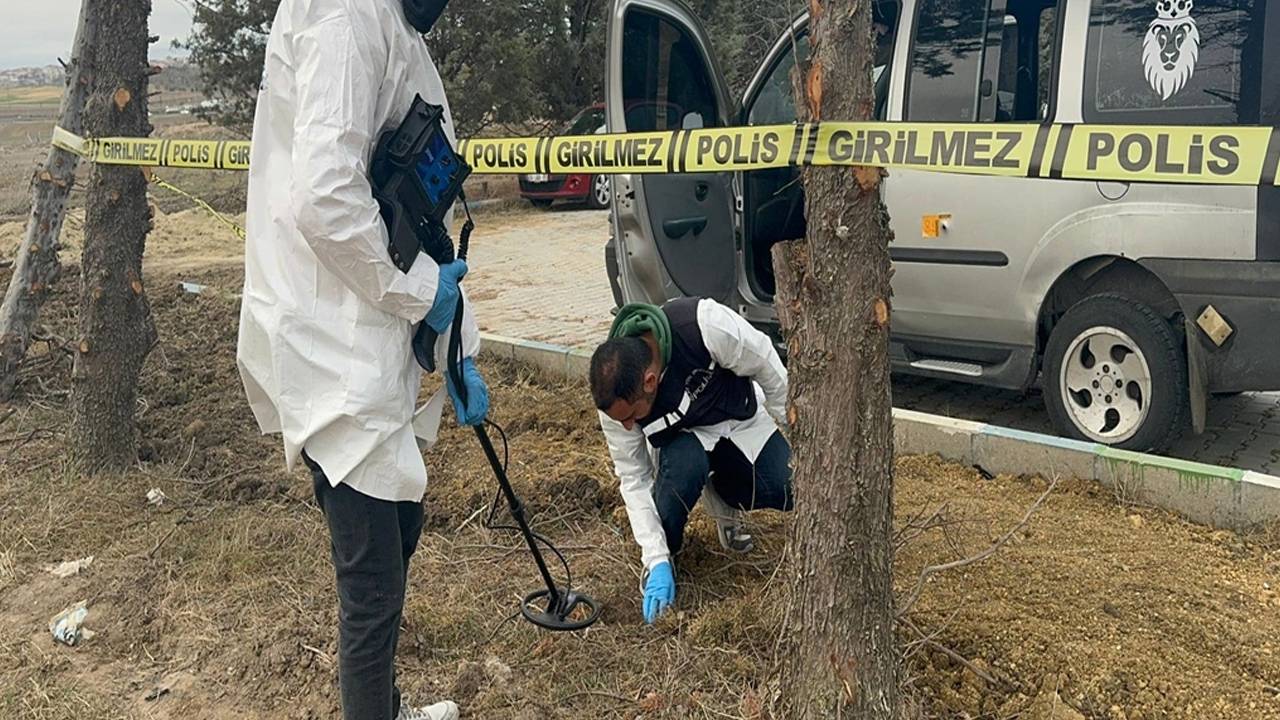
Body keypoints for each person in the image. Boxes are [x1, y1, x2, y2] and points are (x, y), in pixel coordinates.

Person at [236, 0, 487, 718]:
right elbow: (324, 200)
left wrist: (458, 346)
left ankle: (385, 708)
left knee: (399, 526)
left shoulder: (394, 25)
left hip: (362, 332)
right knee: (372, 580)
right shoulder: (348, 16)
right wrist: (416, 294)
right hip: (330, 342)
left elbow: (415, 195)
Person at [589, 298, 794, 624]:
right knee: (685, 470)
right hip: (685, 446)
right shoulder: (616, 400)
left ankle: (724, 499)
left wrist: (800, 438)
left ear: (650, 382)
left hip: (738, 421)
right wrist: (654, 557)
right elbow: (633, 477)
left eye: (631, 417)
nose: (628, 426)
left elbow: (767, 365)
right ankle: (666, 560)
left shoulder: (705, 326)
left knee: (788, 485)